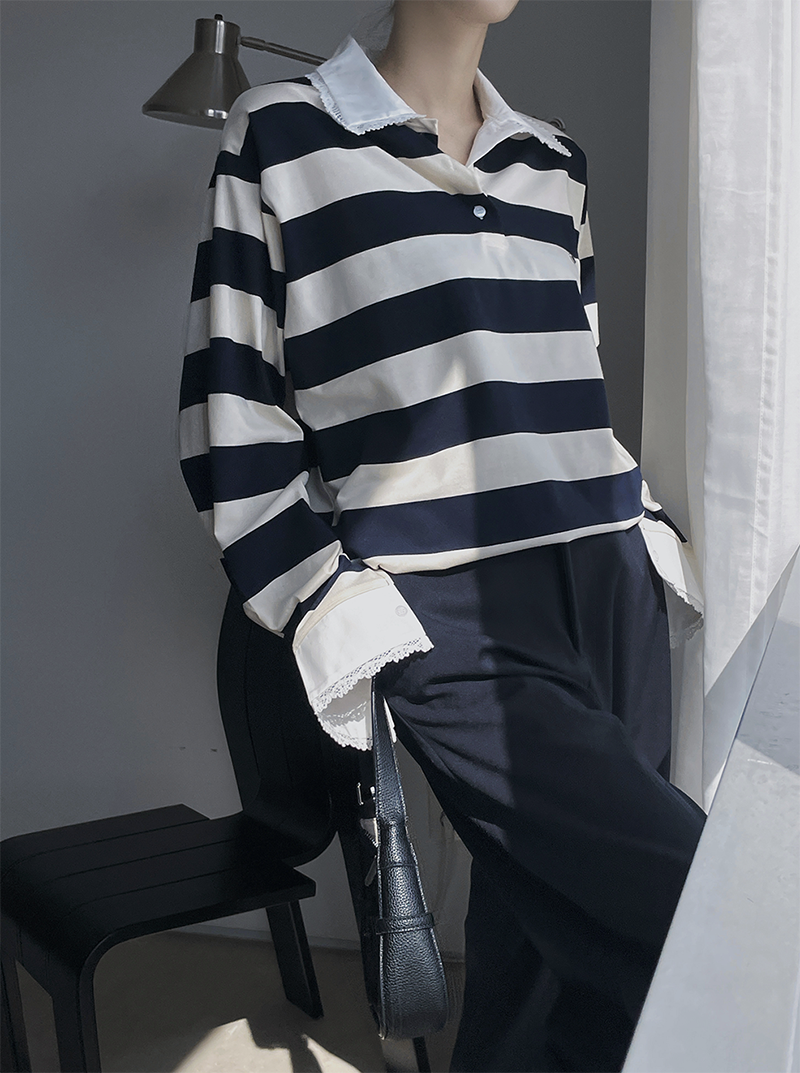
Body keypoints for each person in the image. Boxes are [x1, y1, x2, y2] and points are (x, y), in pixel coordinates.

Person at [178, 1, 707, 1069]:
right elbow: (228, 423)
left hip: (610, 581)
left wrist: (642, 525)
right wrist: (328, 602)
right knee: (697, 908)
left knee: (546, 958)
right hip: (444, 605)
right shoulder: (281, 134)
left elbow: (572, 381)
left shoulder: (553, 162)